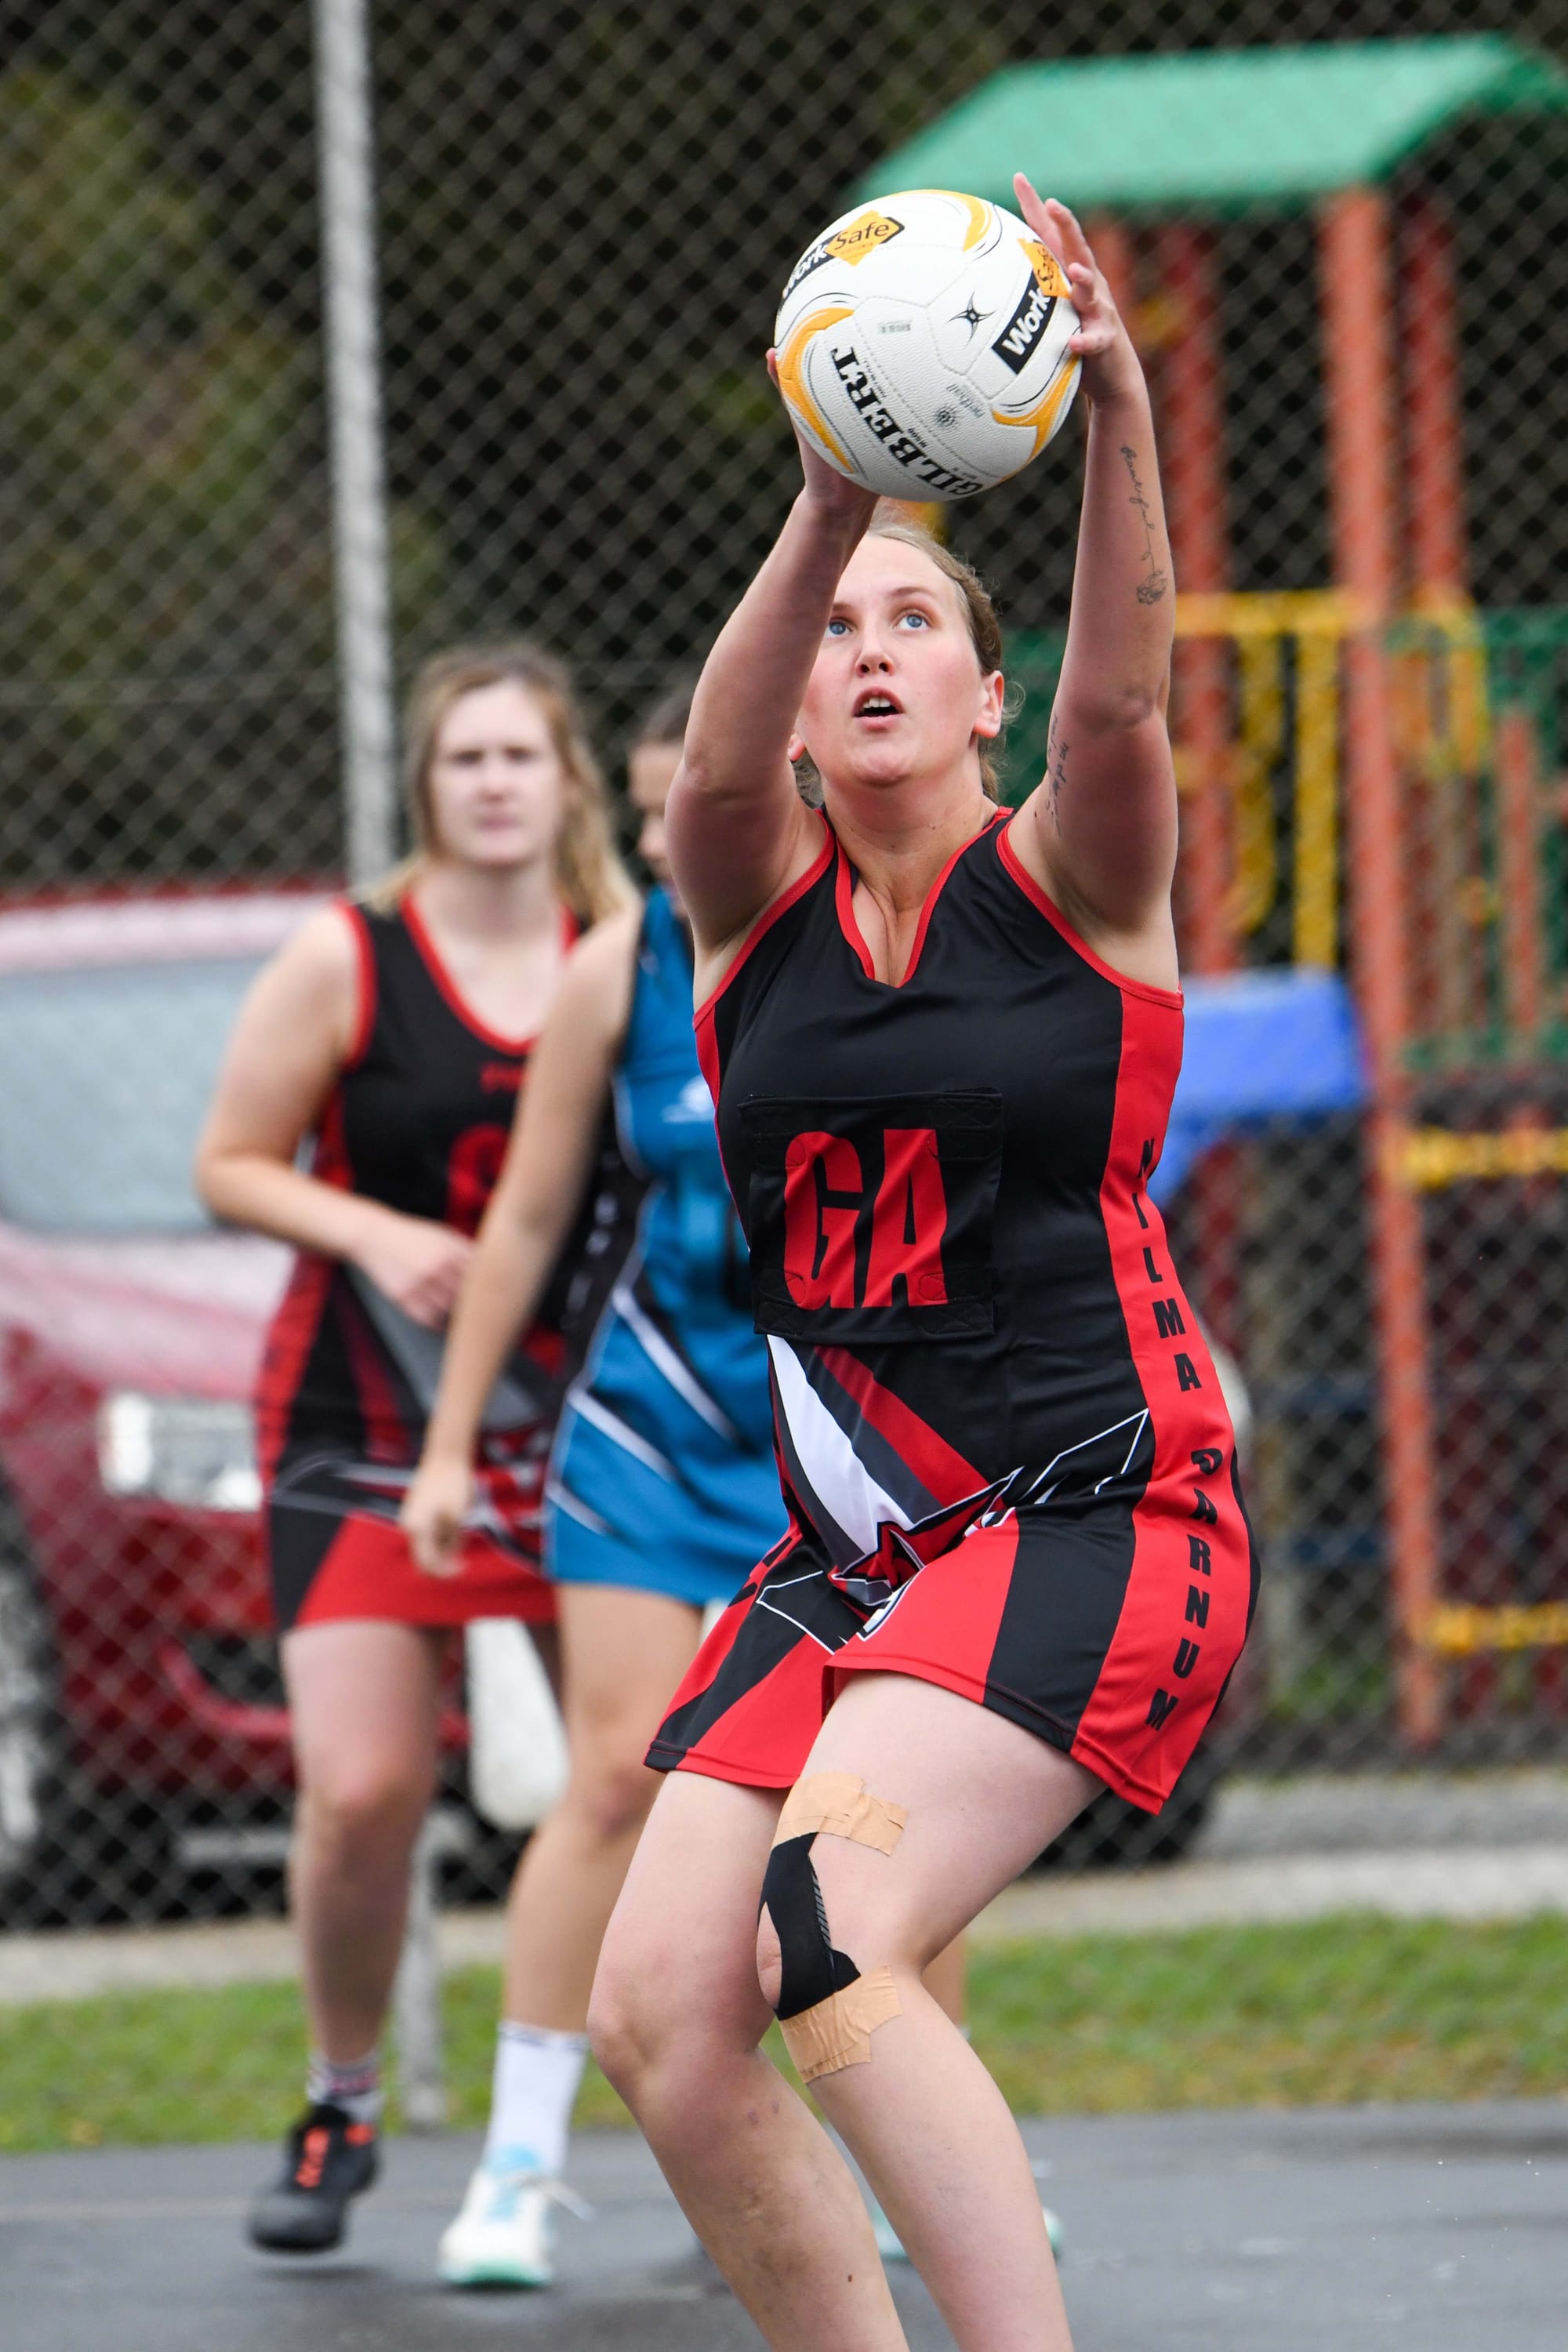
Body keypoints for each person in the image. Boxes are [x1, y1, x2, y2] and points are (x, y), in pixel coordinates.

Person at [587, 181, 1258, 2352]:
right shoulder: (745, 909)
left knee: (833, 1930)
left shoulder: (1073, 879)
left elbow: (1128, 707)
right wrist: (824, 500)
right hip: (866, 1553)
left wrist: (1125, 411)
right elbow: (706, 763)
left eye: (915, 625)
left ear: (985, 694)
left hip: (1098, 1512)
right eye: (840, 633)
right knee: (661, 2019)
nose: (870, 652)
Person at [195, 643, 633, 2256]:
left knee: (625, 1783)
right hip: (355, 1418)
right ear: (427, 786)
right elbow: (230, 1163)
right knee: (365, 1788)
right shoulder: (349, 959)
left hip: (574, 1425)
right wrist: (375, 1235)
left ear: (568, 780)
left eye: (523, 755)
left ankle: (614, 2104)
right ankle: (342, 2096)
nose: (497, 783)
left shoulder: (621, 959)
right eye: (467, 760)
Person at [398, 680, 787, 2287]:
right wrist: (446, 1444)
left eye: (680, 799)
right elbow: (527, 1220)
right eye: (633, 809)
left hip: (828, 1433)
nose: (653, 835)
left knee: (846, 1810)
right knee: (614, 1776)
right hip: (645, 1425)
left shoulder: (876, 953)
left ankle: (899, 2144)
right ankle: (513, 2166)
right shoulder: (609, 973)